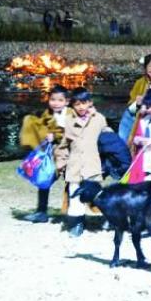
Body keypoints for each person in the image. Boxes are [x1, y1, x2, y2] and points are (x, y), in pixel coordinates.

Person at [55, 87, 108, 237]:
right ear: (72, 106)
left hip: (92, 164)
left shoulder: (99, 119)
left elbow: (107, 138)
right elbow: (64, 144)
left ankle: (107, 218)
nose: (81, 107)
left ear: (90, 102)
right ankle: (76, 223)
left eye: (84, 103)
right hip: (75, 165)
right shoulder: (69, 121)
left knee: (96, 194)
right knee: (75, 195)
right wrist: (61, 162)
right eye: (77, 104)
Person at [19, 85, 71, 223]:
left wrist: (57, 136)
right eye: (53, 99)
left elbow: (74, 132)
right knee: (44, 179)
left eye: (60, 100)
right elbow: (42, 127)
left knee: (73, 183)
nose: (56, 103)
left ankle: (75, 215)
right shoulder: (48, 113)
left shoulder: (71, 114)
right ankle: (41, 211)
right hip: (52, 153)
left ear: (67, 101)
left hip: (69, 153)